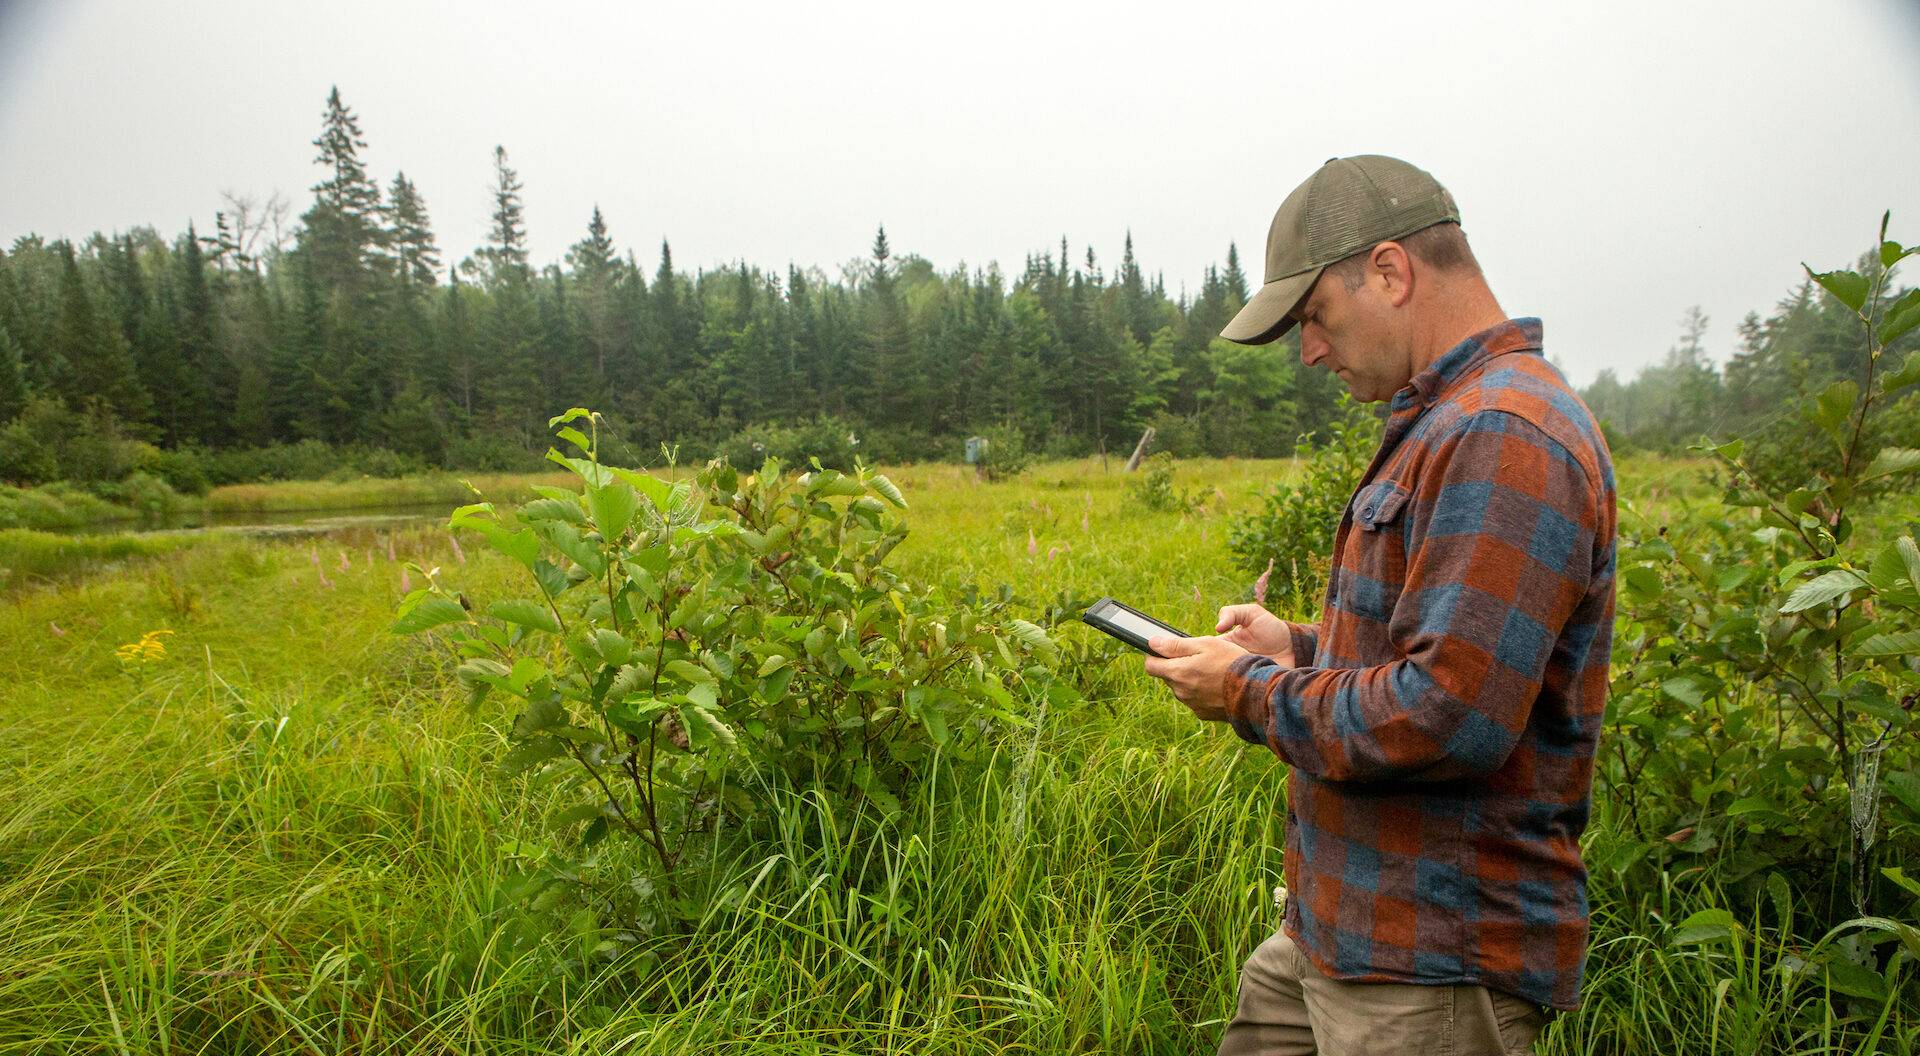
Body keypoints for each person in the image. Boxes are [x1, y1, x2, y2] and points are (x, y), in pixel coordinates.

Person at [1143, 155, 1617, 1055]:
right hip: (1339, 932)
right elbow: (1446, 644)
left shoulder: (1502, 433)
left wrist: (1247, 691)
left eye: (1315, 317)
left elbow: (1447, 716)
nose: (1310, 351)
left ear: (1392, 272)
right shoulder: (1450, 421)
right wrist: (1301, 648)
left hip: (1428, 965)